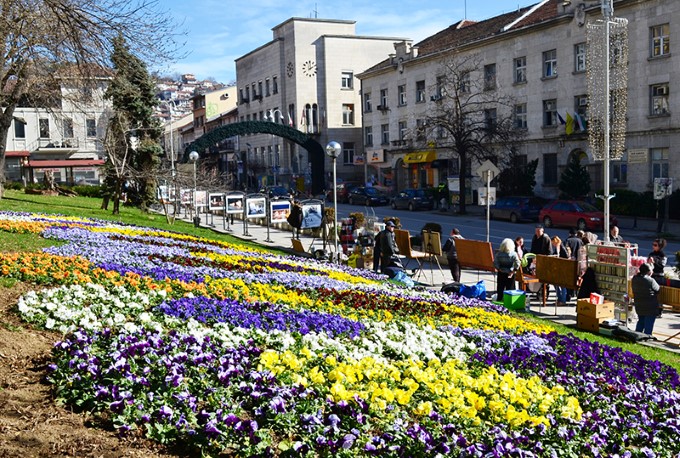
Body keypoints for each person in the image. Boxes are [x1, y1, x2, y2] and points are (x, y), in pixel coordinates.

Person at [631, 263, 661, 335]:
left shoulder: (634, 278)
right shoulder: (650, 280)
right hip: (650, 306)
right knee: (648, 324)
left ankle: (637, 336)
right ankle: (647, 338)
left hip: (639, 304)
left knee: (641, 321)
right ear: (648, 271)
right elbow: (658, 289)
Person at [550, 236, 570, 306]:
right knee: (556, 284)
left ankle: (563, 300)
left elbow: (566, 257)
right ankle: (560, 299)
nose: (552, 244)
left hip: (562, 268)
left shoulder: (561, 246)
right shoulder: (557, 247)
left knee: (562, 285)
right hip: (557, 268)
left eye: (553, 243)